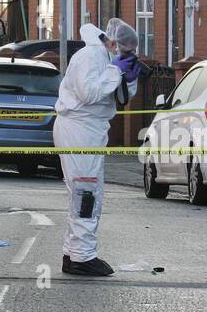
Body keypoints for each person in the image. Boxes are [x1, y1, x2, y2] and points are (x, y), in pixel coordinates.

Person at [52, 18, 145, 277]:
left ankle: (74, 253)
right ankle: (83, 256)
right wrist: (116, 72)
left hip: (90, 128)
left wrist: (128, 78)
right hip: (79, 128)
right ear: (113, 43)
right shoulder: (90, 56)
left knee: (85, 191)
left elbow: (116, 97)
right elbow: (89, 93)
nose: (126, 55)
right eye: (124, 51)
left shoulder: (105, 57)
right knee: (86, 192)